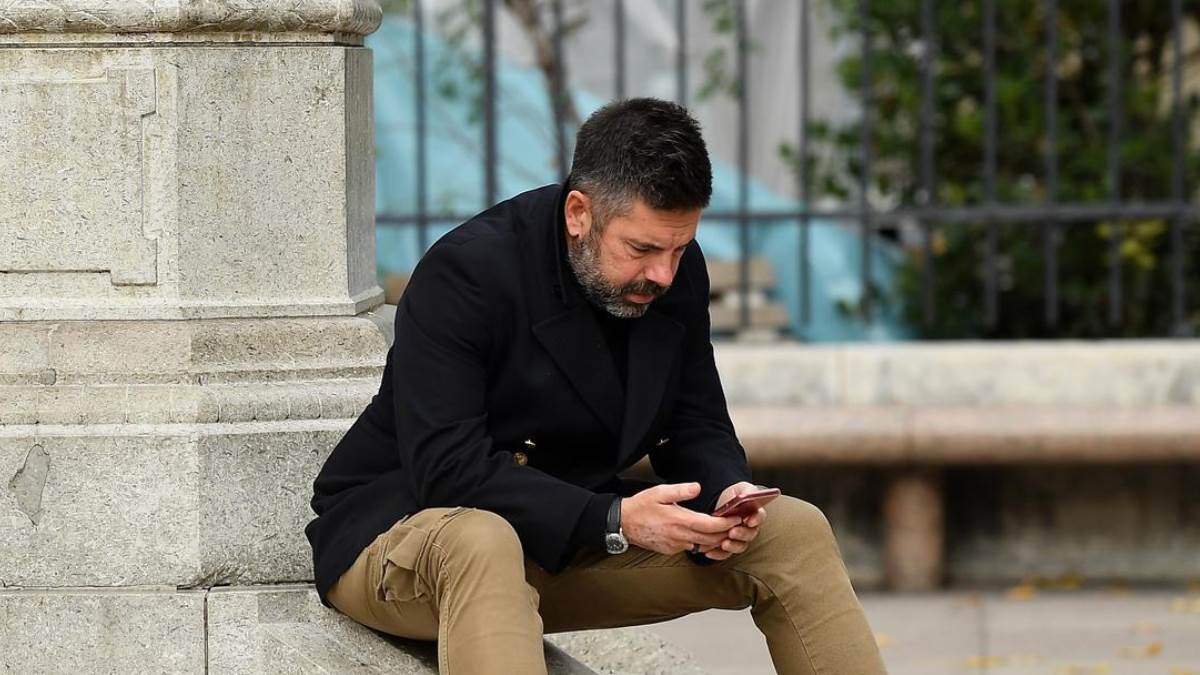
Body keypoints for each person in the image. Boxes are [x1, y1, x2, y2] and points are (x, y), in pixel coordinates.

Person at [305, 97, 887, 675]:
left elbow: (696, 420)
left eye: (679, 248)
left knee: (791, 533)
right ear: (579, 213)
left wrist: (726, 494)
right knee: (482, 540)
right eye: (642, 249)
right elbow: (446, 469)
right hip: (401, 537)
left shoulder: (671, 273)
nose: (663, 274)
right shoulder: (467, 273)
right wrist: (614, 519)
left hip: (561, 542)